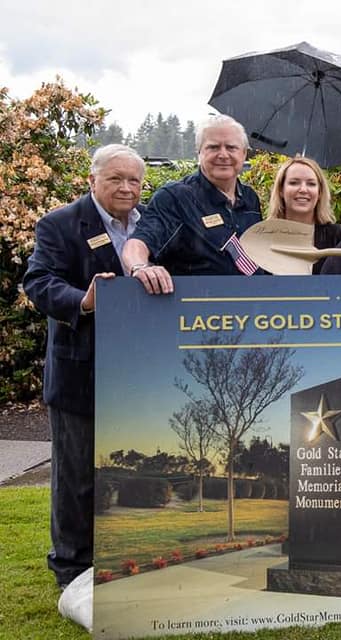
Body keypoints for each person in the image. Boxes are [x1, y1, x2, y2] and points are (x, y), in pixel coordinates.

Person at [22, 144, 146, 589]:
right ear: (92, 180)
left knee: (126, 471)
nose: (126, 187)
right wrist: (84, 301)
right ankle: (72, 570)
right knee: (76, 479)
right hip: (81, 372)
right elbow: (38, 283)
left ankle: (119, 560)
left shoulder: (148, 224)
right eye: (116, 178)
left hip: (137, 372)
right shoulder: (60, 223)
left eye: (134, 180)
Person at [121, 114, 262, 294]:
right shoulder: (175, 197)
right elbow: (139, 242)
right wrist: (140, 267)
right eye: (213, 147)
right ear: (199, 153)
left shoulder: (250, 198)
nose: (223, 154)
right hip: (194, 310)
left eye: (231, 147)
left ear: (243, 154)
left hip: (249, 307)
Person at [267, 156, 341, 274]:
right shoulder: (263, 238)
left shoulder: (339, 238)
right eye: (294, 183)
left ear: (320, 192)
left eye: (311, 184)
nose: (303, 189)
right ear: (281, 190)